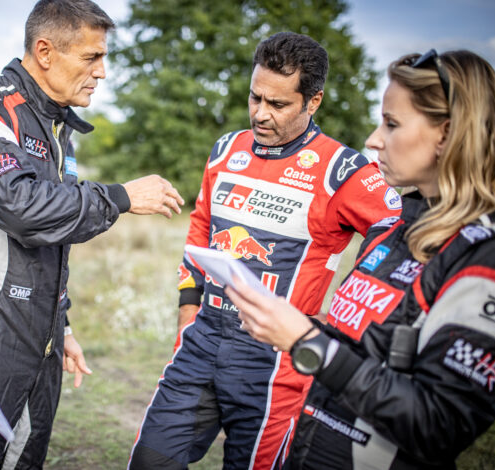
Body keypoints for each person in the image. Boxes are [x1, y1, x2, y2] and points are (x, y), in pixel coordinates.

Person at [0, 0, 184, 468]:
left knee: (25, 460)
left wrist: (60, 323)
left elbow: (49, 239)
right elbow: (19, 208)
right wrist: (120, 197)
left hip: (40, 341)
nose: (102, 72)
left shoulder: (58, 124)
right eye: (91, 57)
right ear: (45, 51)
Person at [129, 32, 403, 469]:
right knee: (148, 462)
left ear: (313, 102)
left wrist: (341, 319)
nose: (260, 113)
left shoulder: (343, 168)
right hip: (202, 343)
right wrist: (188, 308)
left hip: (275, 364)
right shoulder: (226, 149)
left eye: (277, 105)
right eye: (255, 97)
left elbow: (396, 229)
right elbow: (200, 229)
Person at [229, 49, 495, 469]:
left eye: (391, 124)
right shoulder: (396, 224)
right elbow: (369, 350)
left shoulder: (488, 254)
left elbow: (440, 425)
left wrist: (309, 344)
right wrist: (308, 328)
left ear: (448, 134)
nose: (374, 140)